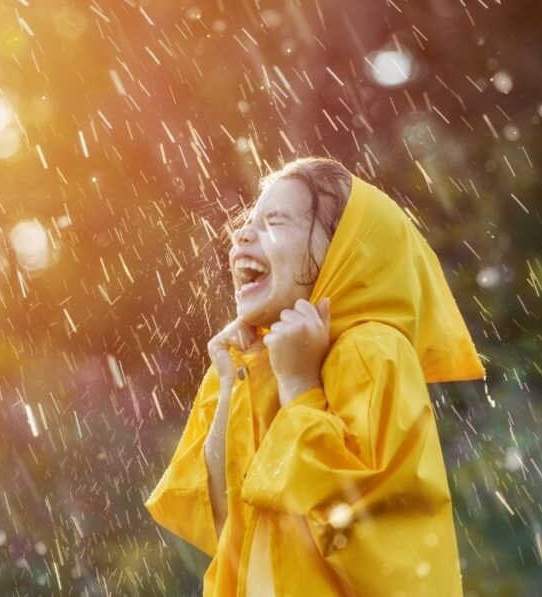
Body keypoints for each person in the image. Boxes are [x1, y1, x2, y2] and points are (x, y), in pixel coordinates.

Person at [144, 156, 486, 595]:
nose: (242, 234)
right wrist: (230, 385)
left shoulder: (370, 350)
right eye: (248, 223)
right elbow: (219, 517)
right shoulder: (255, 361)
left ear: (343, 253)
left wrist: (300, 388)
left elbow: (366, 529)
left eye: (275, 222)